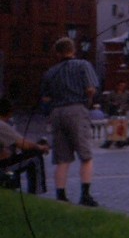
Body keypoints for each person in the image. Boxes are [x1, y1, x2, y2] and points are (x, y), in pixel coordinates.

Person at [40, 37, 100, 206]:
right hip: (76, 109)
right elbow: (90, 88)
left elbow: (45, 99)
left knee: (62, 158)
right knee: (86, 156)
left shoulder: (50, 72)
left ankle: (61, 196)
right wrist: (87, 101)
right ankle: (85, 195)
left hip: (56, 112)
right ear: (73, 50)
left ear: (57, 53)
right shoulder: (83, 65)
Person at [0, 97, 51, 194]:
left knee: (19, 153)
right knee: (35, 156)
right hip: (2, 167)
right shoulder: (2, 125)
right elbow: (24, 145)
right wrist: (40, 147)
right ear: (9, 112)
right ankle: (37, 192)